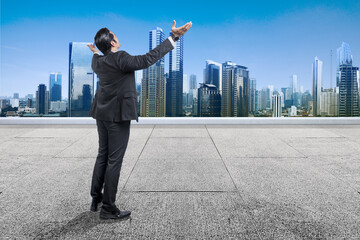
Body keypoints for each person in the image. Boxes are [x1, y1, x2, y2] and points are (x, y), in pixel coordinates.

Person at [87, 20, 192, 220]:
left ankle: (96, 199)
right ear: (112, 43)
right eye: (114, 35)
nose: (117, 36)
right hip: (117, 116)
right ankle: (108, 209)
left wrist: (95, 51)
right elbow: (147, 59)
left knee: (102, 155)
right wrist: (174, 37)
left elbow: (96, 57)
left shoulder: (97, 62)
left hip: (101, 114)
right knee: (114, 161)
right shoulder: (120, 58)